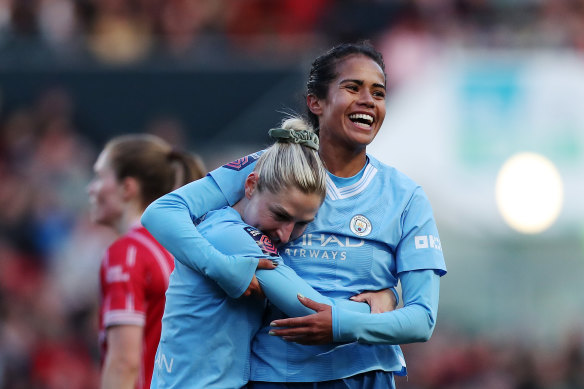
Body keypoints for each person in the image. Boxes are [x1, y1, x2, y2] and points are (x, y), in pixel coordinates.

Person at [142, 41, 446, 388]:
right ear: (315, 102)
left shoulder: (406, 198)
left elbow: (422, 319)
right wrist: (219, 265)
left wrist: (373, 306)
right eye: (352, 87)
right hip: (276, 374)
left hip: (364, 374)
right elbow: (164, 211)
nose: (368, 100)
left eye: (378, 93)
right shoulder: (268, 169)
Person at [151, 117, 390, 389]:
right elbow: (309, 308)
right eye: (280, 215)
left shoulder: (224, 225)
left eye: (301, 223)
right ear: (250, 185)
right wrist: (383, 305)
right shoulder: (236, 238)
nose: (286, 234)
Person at [87, 134, 206, 389]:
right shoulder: (183, 246)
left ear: (127, 187)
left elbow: (124, 362)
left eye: (99, 177)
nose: (91, 188)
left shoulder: (127, 253)